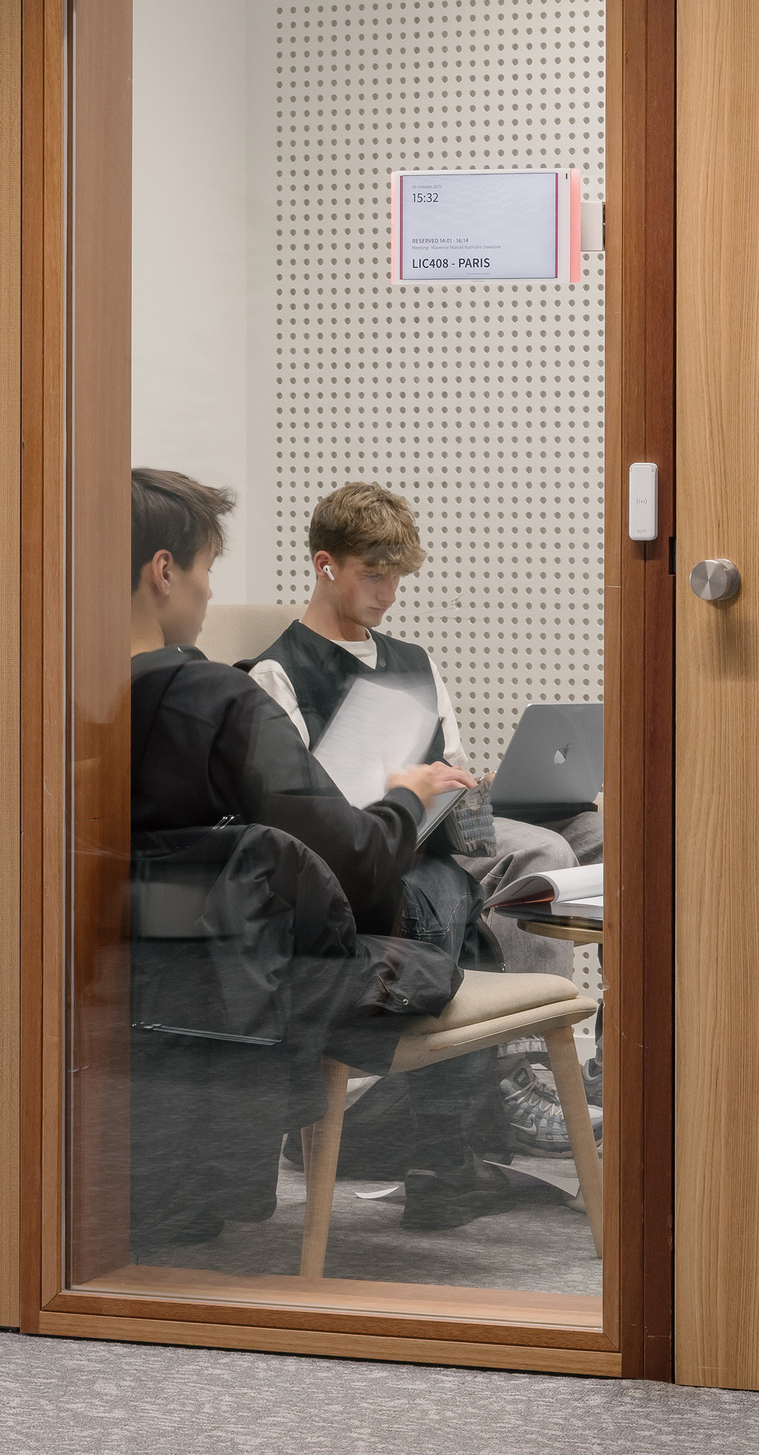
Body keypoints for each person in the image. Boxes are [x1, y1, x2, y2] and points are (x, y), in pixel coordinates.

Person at [126, 467, 515, 1240]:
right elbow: (359, 867)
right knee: (451, 907)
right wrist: (407, 794)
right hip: (244, 960)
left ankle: (452, 1134)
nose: (208, 594)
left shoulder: (50, 690)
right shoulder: (220, 699)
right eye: (206, 571)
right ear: (163, 572)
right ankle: (449, 1138)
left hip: (144, 958)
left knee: (465, 887)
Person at [249, 480, 603, 1157]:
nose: (386, 594)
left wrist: (470, 781)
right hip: (376, 840)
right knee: (545, 855)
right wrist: (406, 790)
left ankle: (621, 1056)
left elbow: (454, 760)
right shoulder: (277, 672)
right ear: (325, 565)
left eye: (396, 579)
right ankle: (517, 1069)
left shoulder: (415, 660)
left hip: (443, 822)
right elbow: (304, 812)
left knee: (600, 835)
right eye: (371, 575)